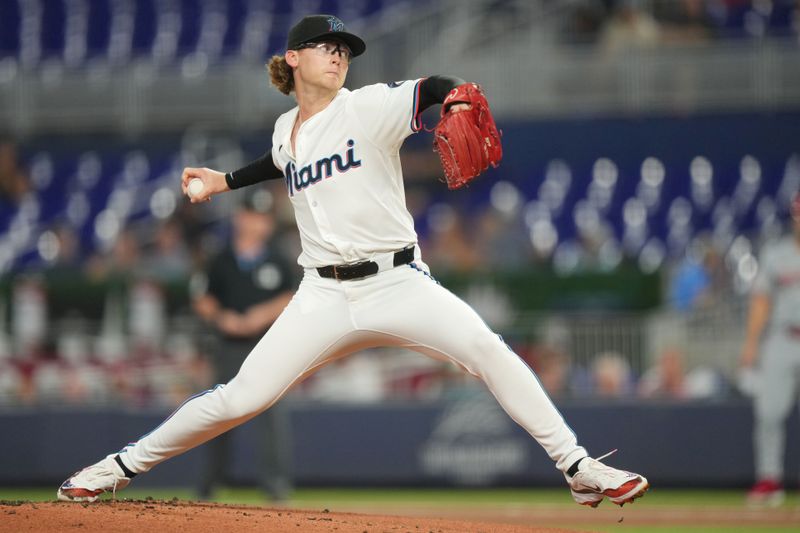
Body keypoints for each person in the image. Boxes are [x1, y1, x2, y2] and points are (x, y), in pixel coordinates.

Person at [57, 14, 648, 508]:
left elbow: (432, 87)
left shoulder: (368, 107)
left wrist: (456, 94)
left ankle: (576, 466)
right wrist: (224, 181)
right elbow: (280, 160)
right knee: (238, 399)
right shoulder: (286, 128)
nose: (339, 56)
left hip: (397, 281)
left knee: (487, 349)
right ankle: (112, 469)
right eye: (326, 47)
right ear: (293, 58)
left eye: (345, 50)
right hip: (323, 295)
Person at [192, 192, 296, 501]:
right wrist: (223, 318)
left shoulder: (278, 259)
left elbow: (292, 296)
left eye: (263, 217)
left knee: (272, 418)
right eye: (252, 215)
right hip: (228, 346)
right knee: (219, 415)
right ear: (240, 217)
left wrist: (258, 316)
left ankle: (275, 484)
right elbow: (203, 298)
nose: (257, 223)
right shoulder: (220, 258)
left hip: (267, 346)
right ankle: (210, 483)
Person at [740, 192, 800, 507]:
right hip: (783, 338)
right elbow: (761, 301)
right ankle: (769, 480)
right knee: (768, 412)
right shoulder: (778, 254)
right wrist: (751, 343)